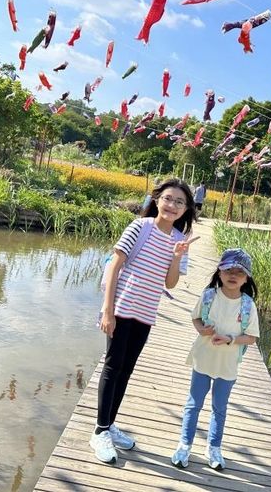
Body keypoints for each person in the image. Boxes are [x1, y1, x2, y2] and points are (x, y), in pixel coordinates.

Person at [90, 178, 197, 464]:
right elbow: (115, 265)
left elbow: (171, 283)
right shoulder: (140, 227)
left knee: (127, 368)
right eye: (168, 198)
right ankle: (99, 431)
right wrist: (107, 309)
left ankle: (109, 424)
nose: (172, 205)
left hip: (146, 312)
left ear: (186, 209)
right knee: (113, 365)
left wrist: (176, 257)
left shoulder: (179, 240)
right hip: (122, 306)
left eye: (179, 202)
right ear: (157, 199)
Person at [171, 248, 259, 471]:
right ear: (219, 272)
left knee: (219, 408)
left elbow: (251, 337)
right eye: (228, 269)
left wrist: (230, 339)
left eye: (239, 271)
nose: (233, 274)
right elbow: (196, 318)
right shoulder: (209, 295)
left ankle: (213, 447)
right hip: (203, 359)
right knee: (193, 405)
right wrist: (202, 330)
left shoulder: (248, 305)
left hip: (227, 366)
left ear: (246, 277)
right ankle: (184, 445)